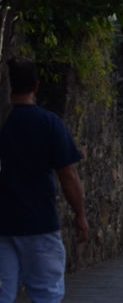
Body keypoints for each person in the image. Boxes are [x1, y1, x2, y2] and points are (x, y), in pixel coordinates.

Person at [0, 58, 88, 303]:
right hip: (39, 224)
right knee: (46, 293)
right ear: (36, 86)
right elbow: (68, 175)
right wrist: (79, 214)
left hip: (3, 225)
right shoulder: (49, 124)